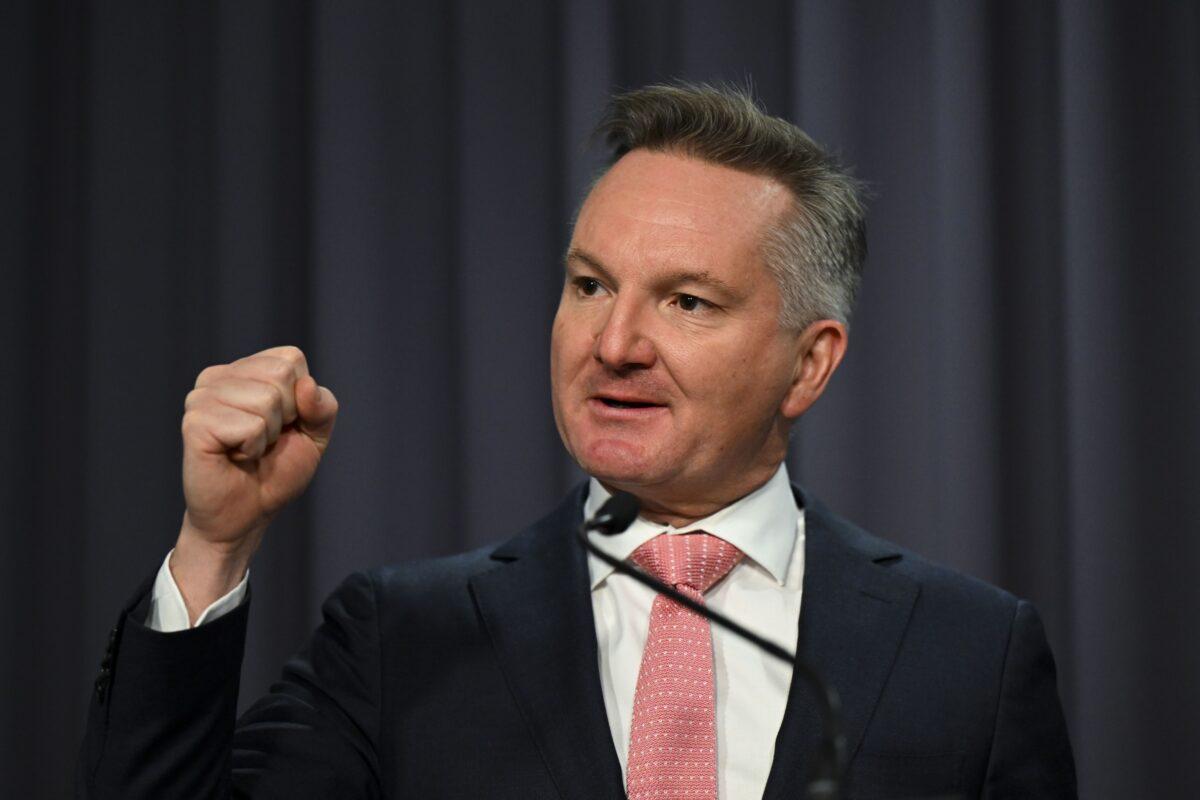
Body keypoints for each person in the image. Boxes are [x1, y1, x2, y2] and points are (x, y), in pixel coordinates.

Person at [78, 84, 1077, 799]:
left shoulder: (971, 651)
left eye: (687, 301)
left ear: (809, 364)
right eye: (591, 284)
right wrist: (215, 545)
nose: (613, 344)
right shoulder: (402, 637)